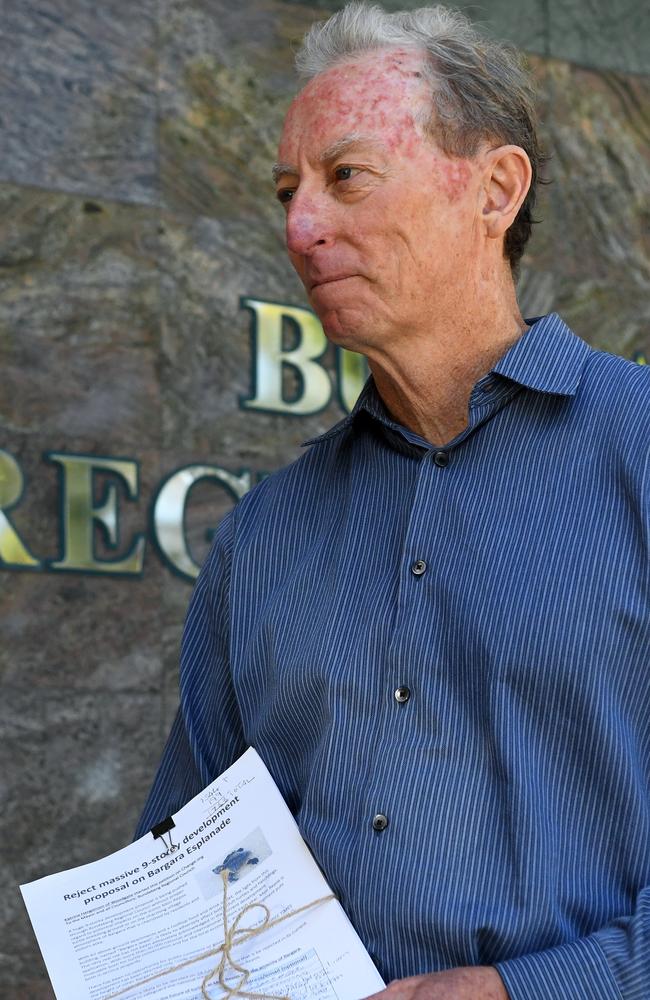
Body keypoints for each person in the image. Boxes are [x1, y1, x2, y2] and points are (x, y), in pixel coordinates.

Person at [137, 4, 649, 997]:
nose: (298, 226)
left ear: (494, 189)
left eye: (346, 176)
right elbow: (186, 861)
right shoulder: (264, 533)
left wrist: (527, 990)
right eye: (286, 190)